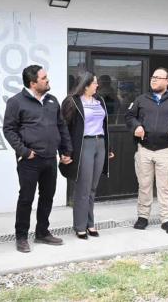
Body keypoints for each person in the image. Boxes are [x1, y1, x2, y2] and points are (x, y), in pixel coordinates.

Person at [3, 65, 73, 253]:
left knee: (47, 197)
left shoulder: (52, 101)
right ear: (33, 83)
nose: (48, 80)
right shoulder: (16, 102)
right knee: (26, 198)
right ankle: (21, 236)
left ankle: (42, 232)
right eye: (44, 78)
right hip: (30, 160)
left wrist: (66, 151)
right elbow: (9, 130)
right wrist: (24, 152)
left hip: (50, 158)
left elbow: (61, 127)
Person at [125, 68, 168, 235]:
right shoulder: (141, 99)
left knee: (164, 187)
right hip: (144, 149)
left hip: (165, 150)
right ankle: (143, 217)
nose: (153, 80)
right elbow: (129, 117)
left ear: (167, 81)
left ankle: (166, 220)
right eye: (153, 77)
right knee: (144, 186)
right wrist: (136, 126)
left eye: (158, 78)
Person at [60, 71, 114, 239]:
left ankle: (90, 224)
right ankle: (80, 226)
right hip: (84, 145)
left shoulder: (100, 101)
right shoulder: (72, 102)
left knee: (92, 187)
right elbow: (64, 129)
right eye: (95, 83)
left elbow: (104, 126)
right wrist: (65, 151)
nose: (97, 86)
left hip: (100, 144)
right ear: (85, 85)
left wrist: (108, 147)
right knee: (83, 187)